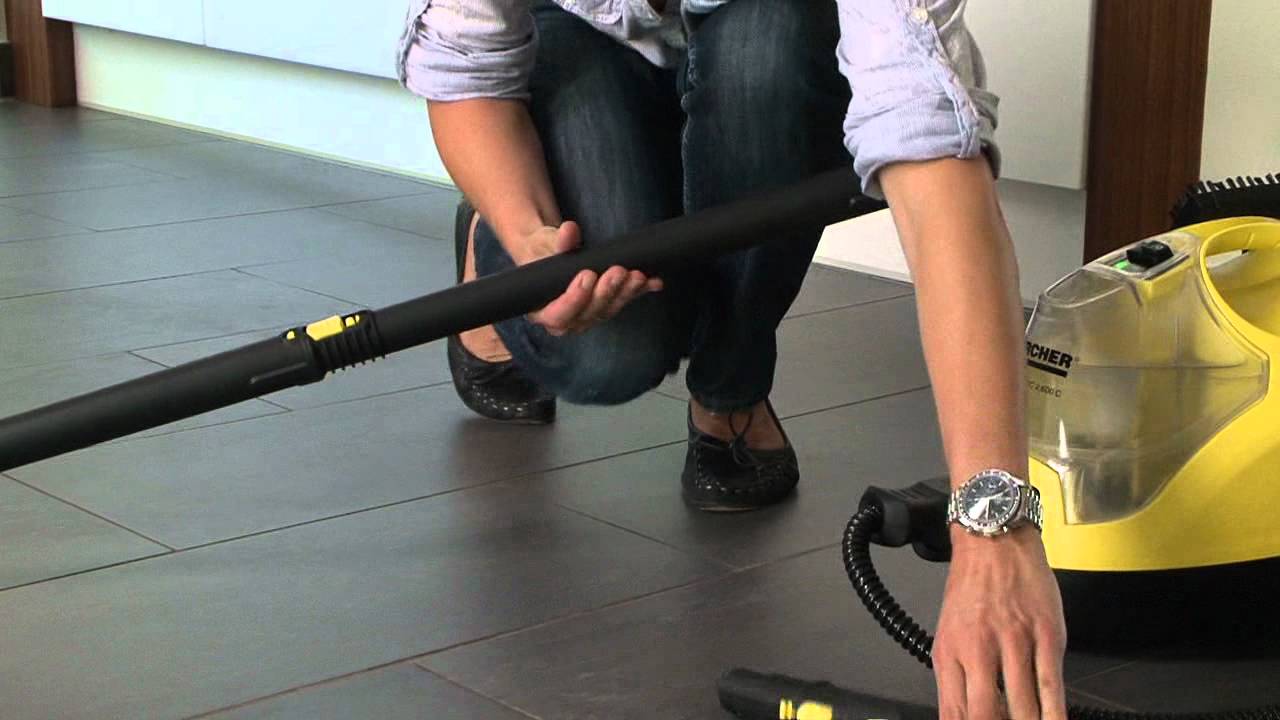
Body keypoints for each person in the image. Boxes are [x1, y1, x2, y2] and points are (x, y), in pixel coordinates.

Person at [397, 1, 1067, 717]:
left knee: (772, 48)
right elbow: (466, 67)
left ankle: (731, 386)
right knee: (608, 353)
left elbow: (934, 155)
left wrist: (993, 526)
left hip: (757, 31)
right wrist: (529, 235)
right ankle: (500, 236)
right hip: (573, 36)